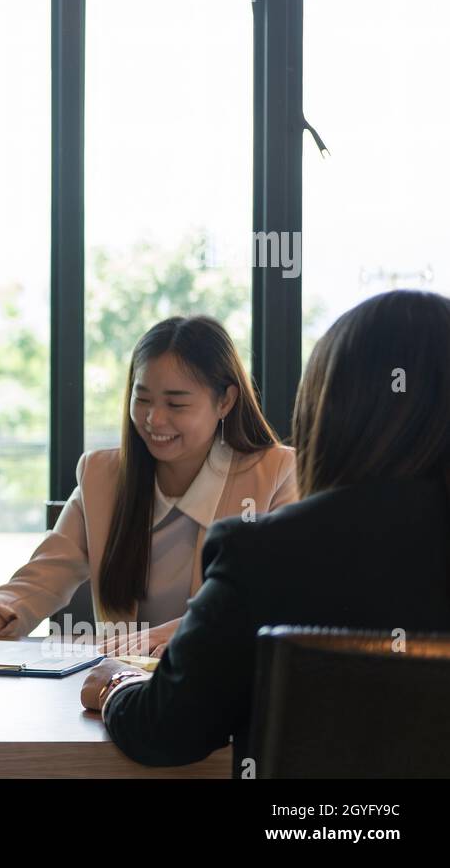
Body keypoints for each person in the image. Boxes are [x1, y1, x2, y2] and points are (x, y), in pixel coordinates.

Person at [84, 290, 450, 771]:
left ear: (328, 408)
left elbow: (167, 729)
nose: (156, 419)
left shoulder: (266, 554)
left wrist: (114, 683)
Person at [0, 316, 296, 655]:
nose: (154, 419)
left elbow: (277, 598)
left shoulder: (275, 473)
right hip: (119, 687)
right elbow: (42, 578)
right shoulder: (101, 475)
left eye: (176, 403)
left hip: (228, 692)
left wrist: (173, 634)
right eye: (142, 399)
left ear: (225, 401)